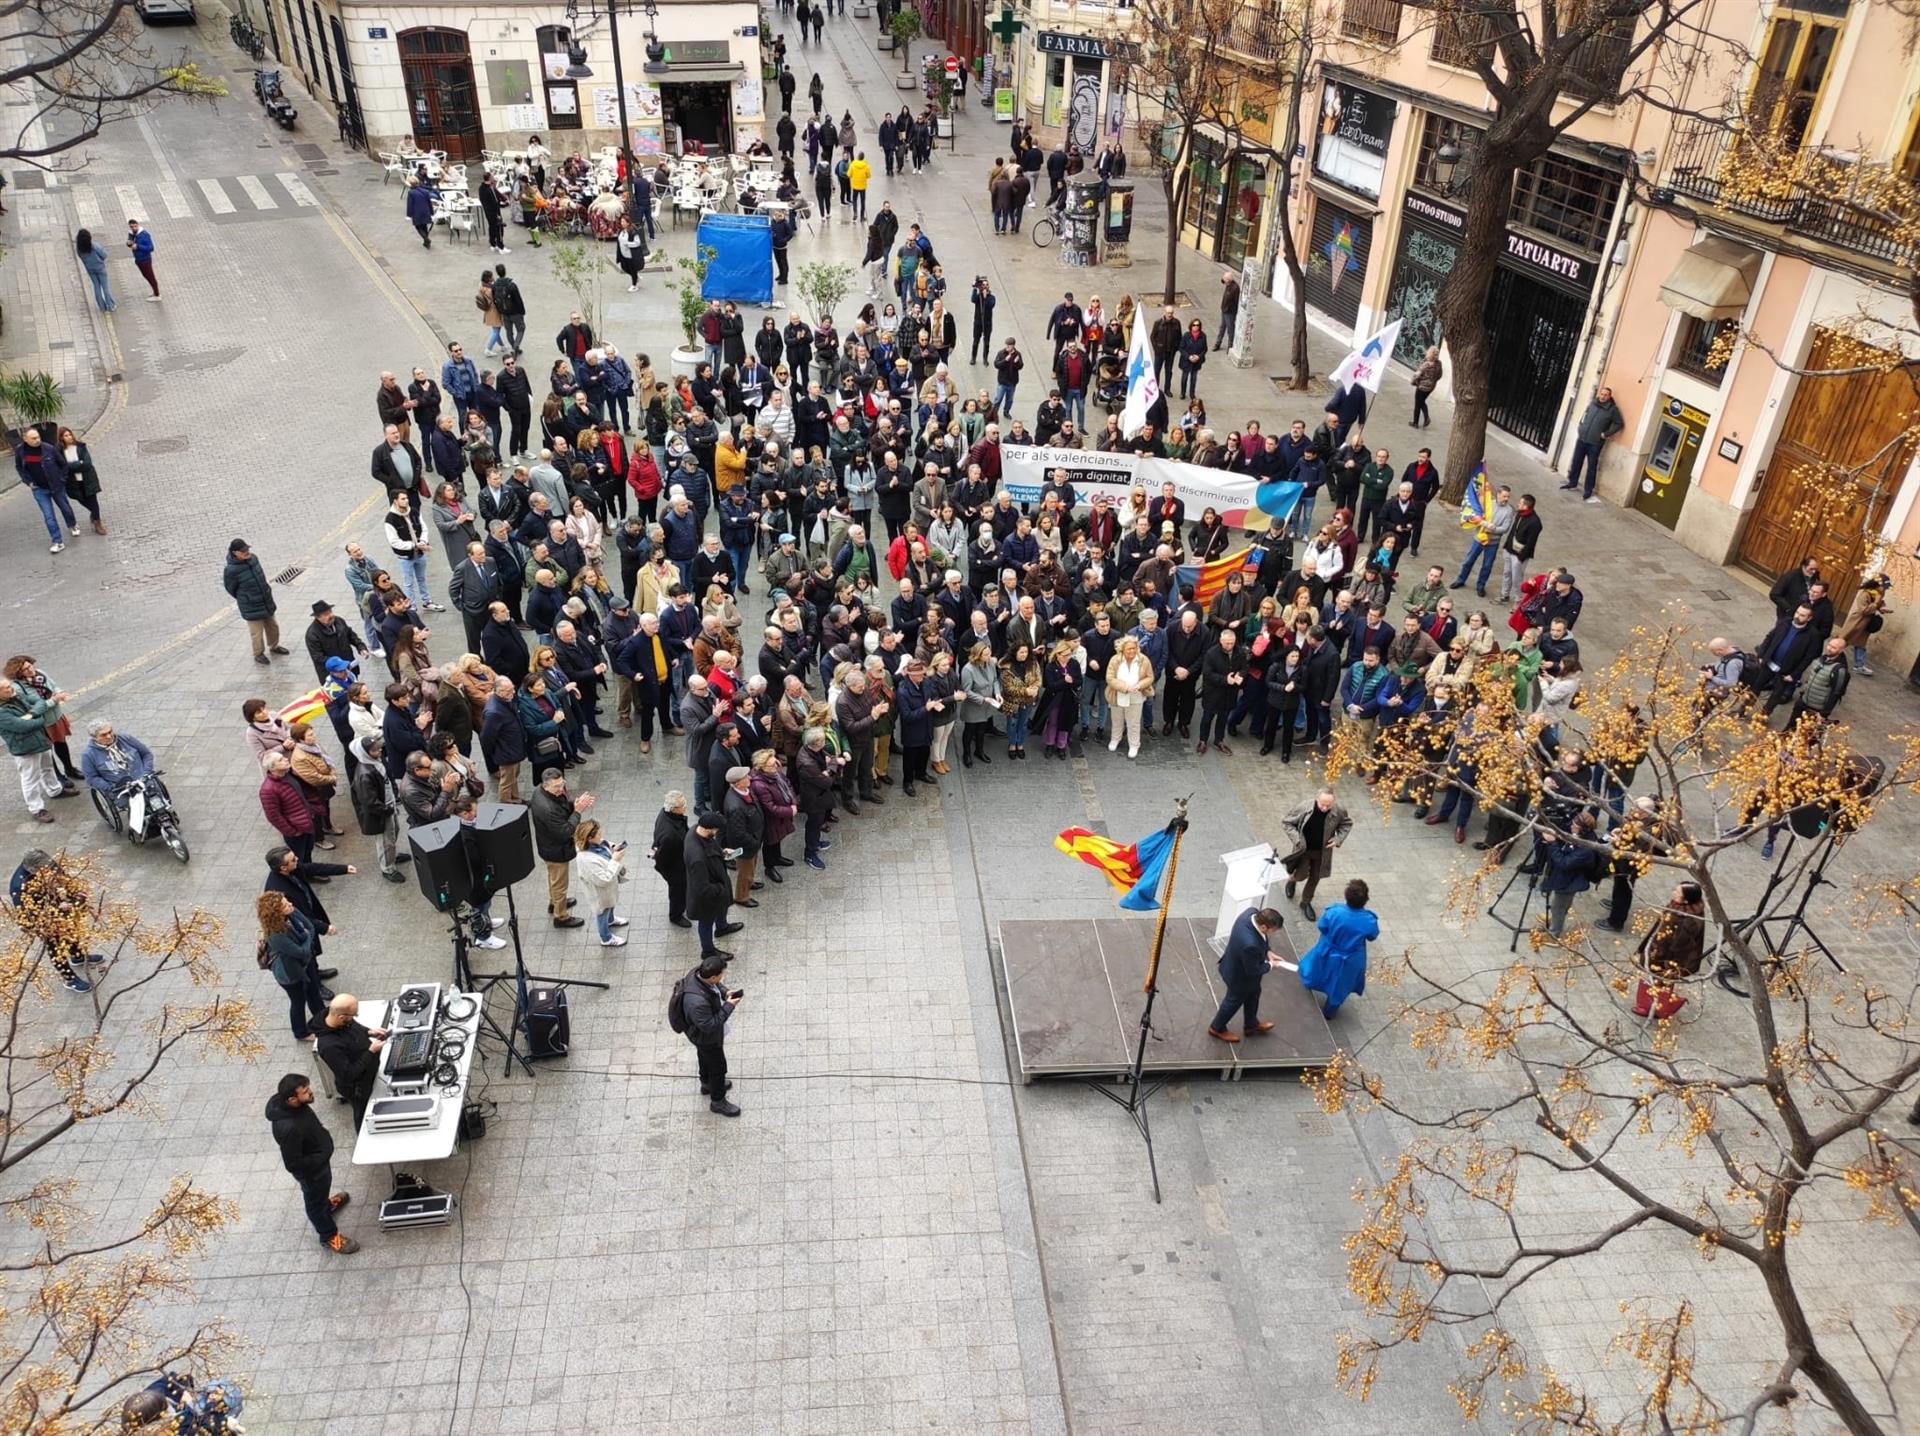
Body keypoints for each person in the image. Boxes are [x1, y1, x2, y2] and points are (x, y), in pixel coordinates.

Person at [264, 1073, 359, 1254]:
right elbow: (292, 1163)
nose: (310, 1092)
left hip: (319, 1162)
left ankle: (326, 1205)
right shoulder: (289, 1128)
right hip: (312, 1172)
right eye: (305, 1091)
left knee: (320, 1195)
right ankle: (329, 1235)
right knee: (314, 1203)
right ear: (292, 1099)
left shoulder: (294, 1105)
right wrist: (320, 1156)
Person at [9, 850, 104, 992]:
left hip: (58, 906)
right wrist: (55, 910)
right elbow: (28, 916)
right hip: (43, 919)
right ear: (34, 870)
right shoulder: (20, 886)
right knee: (55, 946)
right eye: (45, 870)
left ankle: (77, 956)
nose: (50, 871)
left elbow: (63, 879)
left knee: (70, 931)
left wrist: (75, 894)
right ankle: (69, 979)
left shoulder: (48, 865)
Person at [672, 952, 742, 1116]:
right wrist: (729, 1006)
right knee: (718, 1067)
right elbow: (710, 1025)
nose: (722, 978)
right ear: (712, 977)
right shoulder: (697, 1003)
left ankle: (706, 1083)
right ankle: (718, 1101)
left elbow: (716, 986)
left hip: (699, 1036)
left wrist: (725, 993)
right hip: (706, 1037)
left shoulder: (697, 974)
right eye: (721, 976)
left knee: (704, 1057)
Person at [1295, 879, 1379, 1016]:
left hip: (1327, 949)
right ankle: (1329, 1011)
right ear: (1366, 899)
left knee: (1316, 969)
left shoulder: (1333, 911)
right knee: (1341, 983)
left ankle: (1309, 987)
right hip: (1350, 957)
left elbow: (1322, 926)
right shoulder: (1369, 920)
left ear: (1346, 896)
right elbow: (1372, 936)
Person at [258, 890, 329, 1042]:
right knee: (298, 1000)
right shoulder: (275, 935)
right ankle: (300, 1032)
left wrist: (307, 934)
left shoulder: (290, 912)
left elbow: (309, 926)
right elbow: (301, 951)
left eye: (287, 902)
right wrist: (308, 936)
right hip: (290, 972)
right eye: (285, 905)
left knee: (313, 990)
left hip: (304, 963)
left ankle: (322, 1018)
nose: (290, 905)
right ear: (276, 913)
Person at [1207, 906, 1285, 1043]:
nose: (1273, 933)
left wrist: (1268, 951)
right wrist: (1271, 965)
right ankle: (1216, 1028)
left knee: (1254, 994)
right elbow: (1253, 970)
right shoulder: (1250, 945)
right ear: (1264, 927)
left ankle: (1251, 1024)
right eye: (1273, 930)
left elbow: (1262, 939)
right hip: (1240, 978)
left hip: (1238, 968)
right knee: (1232, 1002)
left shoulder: (1251, 913)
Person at [0, 674, 70, 823]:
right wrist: (40, 719)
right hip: (25, 747)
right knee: (30, 778)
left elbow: (39, 702)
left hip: (39, 740)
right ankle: (36, 808)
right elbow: (21, 726)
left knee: (47, 767)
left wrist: (32, 714)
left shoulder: (15, 696)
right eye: (6, 688)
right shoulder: (1, 712)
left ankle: (55, 790)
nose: (10, 688)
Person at [1633, 882, 1706, 1019]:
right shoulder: (1678, 908)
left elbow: (1679, 947)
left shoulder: (1687, 920)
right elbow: (1658, 928)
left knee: (1657, 983)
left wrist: (1665, 965)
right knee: (1653, 982)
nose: (1673, 892)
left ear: (1685, 899)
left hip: (1666, 959)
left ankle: (1651, 1008)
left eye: (1677, 892)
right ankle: (1651, 1006)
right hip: (1658, 953)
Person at [530, 767, 590, 927]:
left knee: (554, 878)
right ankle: (561, 916)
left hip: (548, 845)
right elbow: (565, 832)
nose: (561, 789)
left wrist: (573, 805)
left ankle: (555, 903)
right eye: (556, 787)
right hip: (556, 850)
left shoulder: (540, 792)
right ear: (545, 785)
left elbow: (561, 807)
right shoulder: (547, 809)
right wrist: (577, 811)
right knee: (560, 884)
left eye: (562, 784)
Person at [314, 994, 386, 1128]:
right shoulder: (330, 1046)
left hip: (368, 1072)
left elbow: (354, 1026)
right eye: (353, 1015)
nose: (354, 1017)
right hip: (357, 1088)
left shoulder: (338, 1018)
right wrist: (371, 1051)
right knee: (363, 1115)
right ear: (341, 1017)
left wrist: (369, 1032)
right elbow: (349, 1074)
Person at [1280, 789, 1352, 918]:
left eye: (1328, 805)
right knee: (1301, 875)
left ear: (1333, 802)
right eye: (1322, 804)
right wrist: (1297, 840)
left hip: (1322, 852)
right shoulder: (1304, 807)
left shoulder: (1339, 810)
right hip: (1304, 850)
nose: (1324, 808)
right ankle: (1292, 880)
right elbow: (1287, 822)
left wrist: (1337, 839)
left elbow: (1346, 824)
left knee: (1315, 877)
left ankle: (1306, 902)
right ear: (1316, 800)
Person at [684, 808, 742, 957]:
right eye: (716, 830)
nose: (716, 833)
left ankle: (722, 927)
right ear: (709, 829)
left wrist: (721, 852)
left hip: (716, 885)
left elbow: (711, 846)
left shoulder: (695, 831)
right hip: (707, 897)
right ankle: (708, 951)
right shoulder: (697, 857)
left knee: (721, 909)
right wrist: (721, 889)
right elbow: (702, 888)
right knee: (706, 922)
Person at [13, 427, 77, 553]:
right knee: (49, 516)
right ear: (25, 439)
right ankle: (58, 541)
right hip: (39, 489)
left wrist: (62, 479)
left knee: (65, 508)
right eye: (33, 438)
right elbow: (19, 467)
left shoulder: (48, 448)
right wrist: (28, 482)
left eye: (38, 437)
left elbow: (63, 464)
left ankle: (72, 524)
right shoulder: (20, 451)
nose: (37, 440)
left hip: (56, 486)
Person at [224, 538, 287, 666]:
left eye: (247, 549)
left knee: (273, 626)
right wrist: (246, 597)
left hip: (265, 600)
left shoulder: (254, 559)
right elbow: (231, 588)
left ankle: (274, 646)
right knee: (256, 633)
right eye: (243, 551)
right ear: (235, 552)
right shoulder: (231, 570)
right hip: (251, 605)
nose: (247, 552)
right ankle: (258, 654)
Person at [573, 818, 630, 946]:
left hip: (608, 891)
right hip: (600, 893)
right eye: (599, 834)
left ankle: (611, 920)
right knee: (602, 913)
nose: (601, 836)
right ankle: (606, 938)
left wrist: (613, 847)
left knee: (610, 905)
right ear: (589, 838)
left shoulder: (593, 844)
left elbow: (604, 843)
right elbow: (604, 880)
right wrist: (615, 860)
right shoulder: (586, 860)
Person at [1563, 385, 1624, 501]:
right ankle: (1572, 482)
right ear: (1599, 394)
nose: (1603, 396)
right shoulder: (1593, 404)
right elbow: (1585, 415)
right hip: (1582, 438)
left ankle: (1588, 490)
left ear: (1609, 397)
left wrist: (1605, 434)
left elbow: (1619, 423)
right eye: (1602, 394)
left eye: (1606, 395)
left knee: (1591, 467)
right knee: (1576, 461)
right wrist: (1581, 426)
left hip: (1595, 443)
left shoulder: (1612, 410)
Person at [76, 228, 114, 311]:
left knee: (96, 286)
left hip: (90, 269)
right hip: (100, 268)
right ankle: (110, 305)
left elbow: (80, 257)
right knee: (105, 287)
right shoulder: (94, 246)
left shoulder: (79, 249)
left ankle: (101, 306)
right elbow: (104, 255)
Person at [125, 217, 160, 298]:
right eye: (131, 227)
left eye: (135, 226)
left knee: (150, 277)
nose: (134, 228)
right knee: (146, 276)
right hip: (138, 259)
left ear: (138, 225)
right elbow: (130, 243)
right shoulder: (131, 234)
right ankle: (155, 292)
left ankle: (157, 294)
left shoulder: (144, 235)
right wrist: (128, 243)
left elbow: (151, 248)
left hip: (145, 259)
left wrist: (138, 246)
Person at [1215, 270, 1239, 350]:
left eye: (1224, 278)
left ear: (1228, 280)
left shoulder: (1235, 288)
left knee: (1230, 329)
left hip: (1230, 312)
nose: (1223, 279)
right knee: (1222, 327)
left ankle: (1230, 345)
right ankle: (1217, 343)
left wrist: (1231, 310)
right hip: (1224, 310)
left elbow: (1236, 301)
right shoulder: (1228, 284)